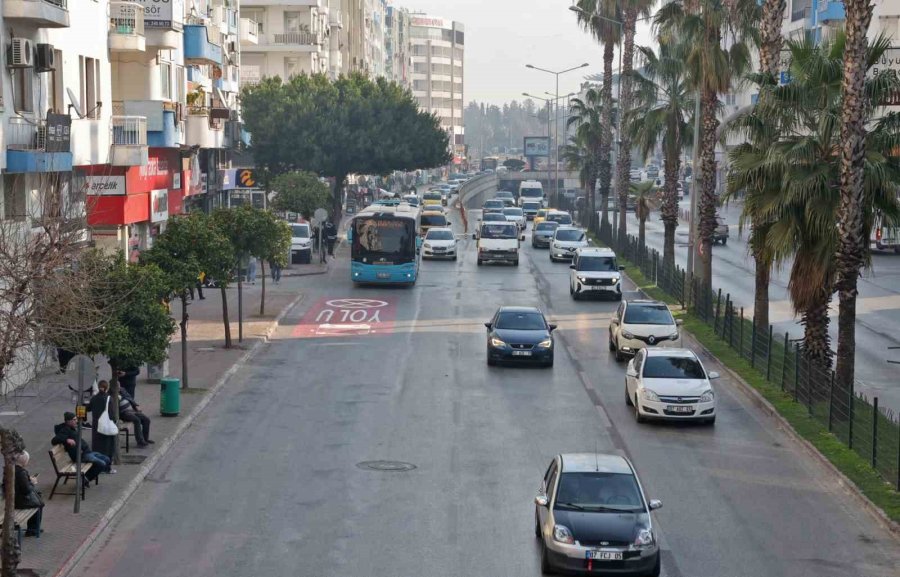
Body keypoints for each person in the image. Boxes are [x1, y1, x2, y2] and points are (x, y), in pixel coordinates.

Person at [51, 412, 113, 480]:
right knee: (101, 464)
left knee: (106, 459)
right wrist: (66, 440)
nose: (76, 421)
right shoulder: (65, 430)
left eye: (76, 419)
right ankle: (86, 478)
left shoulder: (71, 428)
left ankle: (90, 474)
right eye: (74, 420)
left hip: (87, 452)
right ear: (68, 421)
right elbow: (54, 440)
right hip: (80, 456)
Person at [7, 452, 43, 537]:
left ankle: (33, 528)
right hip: (18, 501)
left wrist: (28, 479)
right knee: (39, 503)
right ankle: (33, 529)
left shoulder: (11, 469)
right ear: (25, 461)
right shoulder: (21, 472)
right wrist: (32, 482)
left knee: (37, 498)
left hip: (13, 499)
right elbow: (26, 490)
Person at [88, 380, 116, 459]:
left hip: (96, 425)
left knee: (97, 445)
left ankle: (97, 460)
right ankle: (107, 462)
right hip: (106, 425)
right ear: (107, 388)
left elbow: (88, 408)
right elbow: (111, 414)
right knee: (107, 445)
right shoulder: (109, 399)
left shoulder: (94, 398)